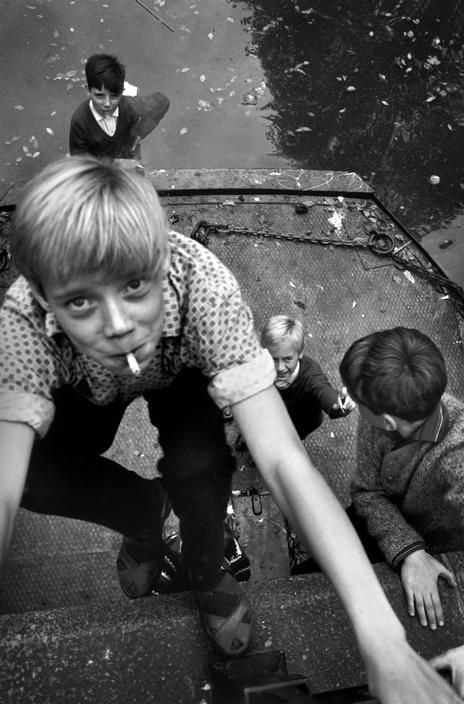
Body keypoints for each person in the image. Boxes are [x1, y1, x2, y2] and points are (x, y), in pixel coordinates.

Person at [0, 157, 461, 703]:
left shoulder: (204, 289)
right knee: (39, 477)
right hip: (82, 385)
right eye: (80, 301)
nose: (119, 325)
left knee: (202, 468)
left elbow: (284, 462)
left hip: (180, 372)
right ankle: (145, 516)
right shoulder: (21, 324)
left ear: (162, 261)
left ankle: (204, 567)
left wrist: (384, 642)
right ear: (45, 301)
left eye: (134, 285)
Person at [339, 326, 464, 632]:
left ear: (388, 422)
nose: (350, 400)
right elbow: (366, 492)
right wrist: (408, 548)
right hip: (378, 526)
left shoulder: (457, 459)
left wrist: (416, 554)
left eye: (356, 400)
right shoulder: (391, 405)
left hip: (433, 549)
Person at [260, 315, 356, 440]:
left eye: (287, 359)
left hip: (298, 423)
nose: (280, 368)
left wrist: (337, 403)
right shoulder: (261, 364)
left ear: (300, 353)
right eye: (274, 359)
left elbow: (322, 390)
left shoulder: (310, 375)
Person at [69, 53, 169, 159]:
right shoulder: (80, 121)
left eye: (113, 96)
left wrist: (139, 134)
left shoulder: (131, 106)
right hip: (99, 167)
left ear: (122, 92)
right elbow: (79, 161)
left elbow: (162, 103)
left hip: (128, 159)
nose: (107, 104)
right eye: (99, 96)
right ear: (88, 90)